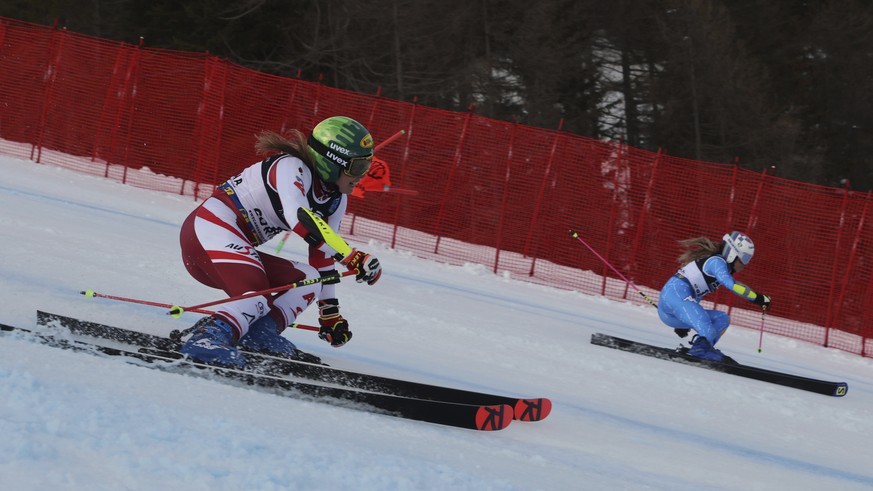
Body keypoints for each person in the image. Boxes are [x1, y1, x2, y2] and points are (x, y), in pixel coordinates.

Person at [177, 116, 383, 368]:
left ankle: (260, 335)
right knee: (255, 295)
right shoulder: (290, 167)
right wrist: (352, 257)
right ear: (332, 162)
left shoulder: (335, 199)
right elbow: (300, 218)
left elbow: (322, 256)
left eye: (366, 167)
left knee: (309, 279)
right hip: (206, 231)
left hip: (231, 246)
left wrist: (330, 313)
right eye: (358, 167)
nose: (361, 176)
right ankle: (206, 338)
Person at [657, 232, 771, 362]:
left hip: (677, 309)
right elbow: (732, 285)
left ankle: (703, 347)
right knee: (706, 327)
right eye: (744, 259)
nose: (745, 265)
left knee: (722, 319)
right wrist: (757, 298)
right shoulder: (717, 262)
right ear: (732, 253)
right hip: (673, 297)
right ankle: (700, 350)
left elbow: (697, 294)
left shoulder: (719, 267)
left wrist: (685, 322)